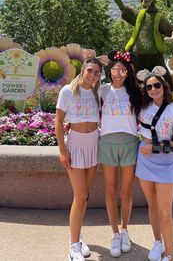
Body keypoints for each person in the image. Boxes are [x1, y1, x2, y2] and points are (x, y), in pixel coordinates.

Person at [135, 66, 173, 261]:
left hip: (165, 162)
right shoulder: (143, 107)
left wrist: (154, 148)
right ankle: (157, 241)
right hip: (145, 160)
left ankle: (168, 254)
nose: (154, 89)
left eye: (157, 85)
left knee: (165, 212)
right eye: (149, 87)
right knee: (152, 206)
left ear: (164, 86)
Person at [55, 57, 103, 261]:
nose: (93, 75)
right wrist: (63, 151)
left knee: (85, 196)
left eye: (97, 72)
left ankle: (78, 235)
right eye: (90, 70)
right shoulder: (67, 91)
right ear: (83, 70)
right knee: (80, 194)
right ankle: (73, 245)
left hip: (94, 144)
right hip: (75, 145)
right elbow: (58, 122)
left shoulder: (97, 92)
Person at [98, 50, 142, 258]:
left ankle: (125, 230)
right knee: (110, 191)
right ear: (110, 71)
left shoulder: (135, 93)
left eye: (122, 70)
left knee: (126, 192)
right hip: (107, 142)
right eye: (115, 69)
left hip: (129, 143)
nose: (118, 73)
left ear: (127, 73)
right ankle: (114, 233)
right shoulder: (102, 91)